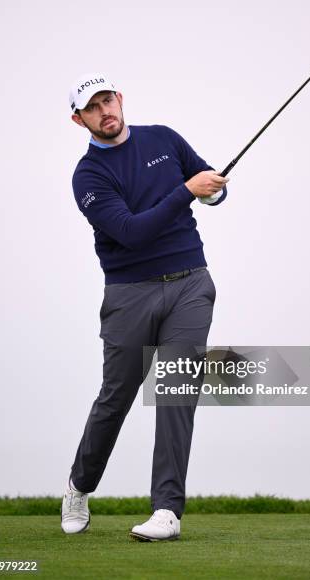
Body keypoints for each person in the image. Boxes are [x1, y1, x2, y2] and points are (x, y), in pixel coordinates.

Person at [61, 72, 229, 541]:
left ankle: (167, 512)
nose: (104, 111)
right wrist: (189, 191)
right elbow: (132, 232)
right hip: (129, 293)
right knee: (116, 398)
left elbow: (209, 183)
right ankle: (79, 485)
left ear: (121, 98)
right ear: (79, 120)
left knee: (177, 392)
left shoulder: (164, 138)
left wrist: (214, 190)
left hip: (191, 284)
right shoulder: (88, 176)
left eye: (108, 99)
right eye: (92, 107)